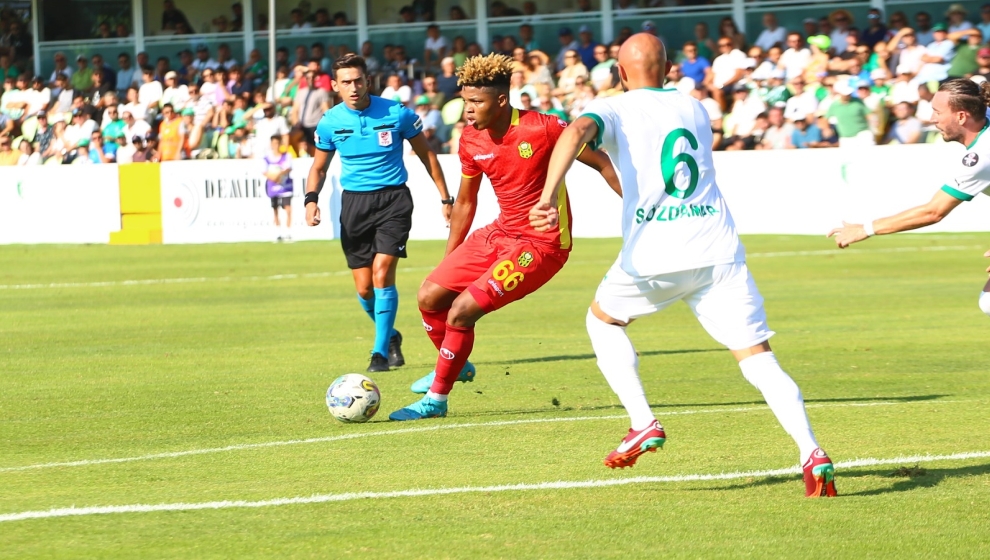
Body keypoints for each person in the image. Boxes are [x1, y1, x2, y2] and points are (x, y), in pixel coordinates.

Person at [529, 32, 837, 498]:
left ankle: (641, 422)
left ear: (618, 71)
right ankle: (810, 450)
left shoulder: (612, 108)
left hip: (656, 251)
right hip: (718, 248)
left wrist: (549, 194)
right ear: (670, 69)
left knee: (603, 321)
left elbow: (575, 131)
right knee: (757, 357)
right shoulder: (694, 107)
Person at [387, 52, 621, 421]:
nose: (467, 109)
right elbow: (465, 203)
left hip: (541, 245)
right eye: (464, 101)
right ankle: (456, 364)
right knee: (429, 296)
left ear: (500, 100)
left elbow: (602, 163)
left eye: (475, 102)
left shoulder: (543, 128)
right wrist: (449, 258)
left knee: (462, 311)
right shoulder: (470, 140)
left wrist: (640, 209)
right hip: (499, 232)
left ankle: (437, 399)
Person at [306, 54, 453, 373]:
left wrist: (446, 197)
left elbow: (428, 156)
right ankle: (390, 336)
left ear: (367, 81)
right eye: (346, 82)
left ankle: (379, 354)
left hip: (393, 201)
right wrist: (311, 199)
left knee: (382, 273)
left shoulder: (397, 113)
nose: (353, 87)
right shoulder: (330, 122)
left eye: (358, 80)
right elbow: (318, 167)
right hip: (355, 205)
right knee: (363, 288)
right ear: (335, 86)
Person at [829, 78, 990, 309]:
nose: (932, 119)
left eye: (937, 112)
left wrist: (866, 229)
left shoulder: (980, 158)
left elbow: (933, 212)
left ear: (962, 116)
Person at [263, 135, 294, 241]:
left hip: (285, 186)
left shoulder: (286, 156)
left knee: (288, 209)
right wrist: (275, 177)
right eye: (274, 143)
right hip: (273, 187)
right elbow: (264, 172)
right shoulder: (267, 158)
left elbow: (288, 168)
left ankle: (288, 232)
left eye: (277, 143)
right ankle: (278, 233)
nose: (275, 146)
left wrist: (280, 174)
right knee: (275, 209)